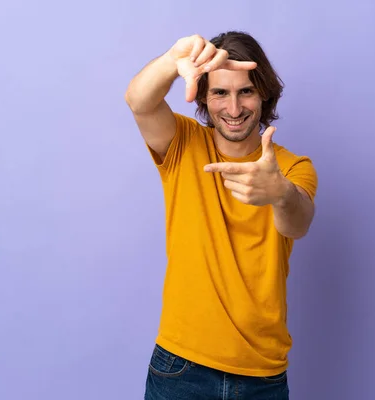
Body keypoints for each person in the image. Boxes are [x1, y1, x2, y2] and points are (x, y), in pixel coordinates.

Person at [125, 31, 318, 400]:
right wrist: (171, 60)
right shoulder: (183, 142)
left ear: (265, 94)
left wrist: (279, 194)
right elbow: (139, 102)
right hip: (181, 368)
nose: (233, 108)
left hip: (263, 376)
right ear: (203, 96)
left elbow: (298, 222)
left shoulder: (292, 168)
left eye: (245, 91)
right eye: (220, 92)